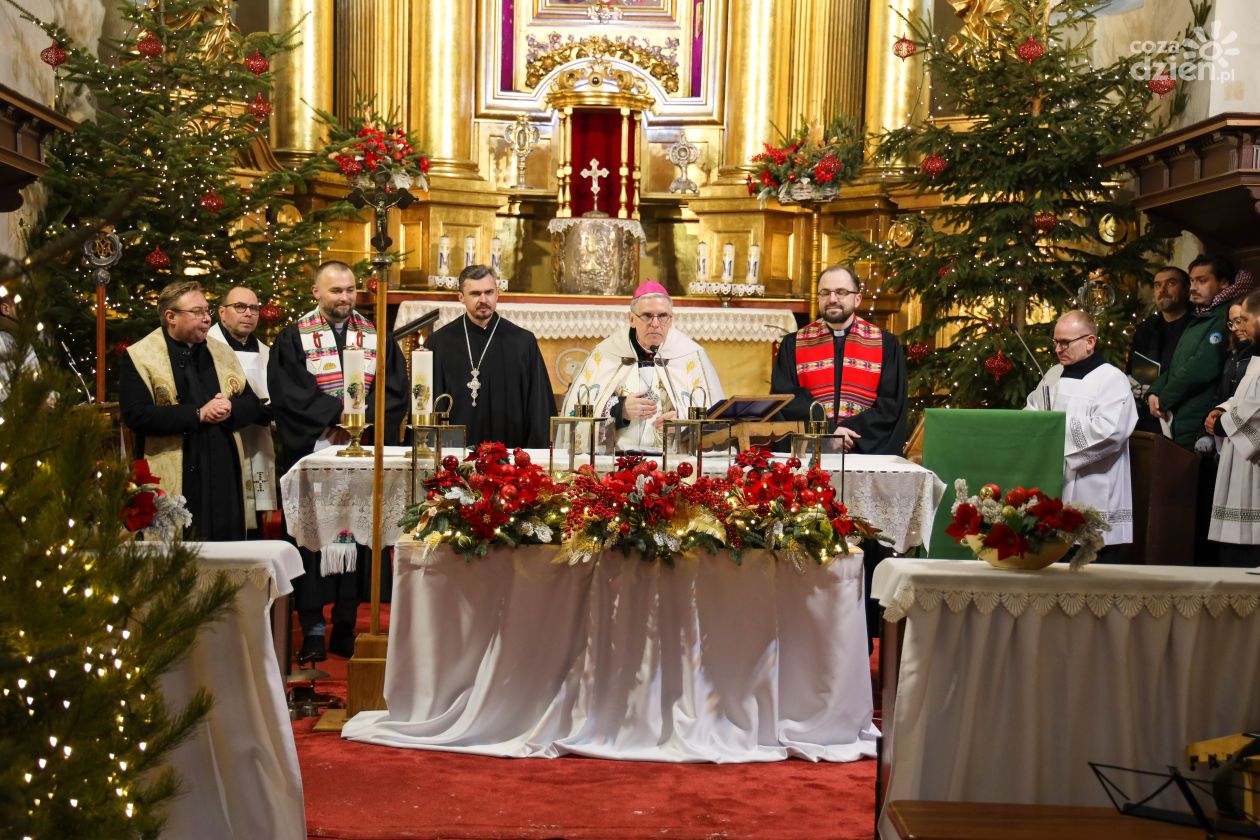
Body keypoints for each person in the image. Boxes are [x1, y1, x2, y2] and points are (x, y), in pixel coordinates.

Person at [268, 261, 408, 663]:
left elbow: (393, 391)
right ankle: (312, 628)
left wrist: (363, 424)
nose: (345, 298)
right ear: (317, 293)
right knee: (313, 540)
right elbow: (289, 394)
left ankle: (345, 626)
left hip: (361, 457)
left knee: (358, 538)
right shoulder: (293, 338)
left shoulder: (376, 337)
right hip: (315, 450)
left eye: (350, 290)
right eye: (336, 291)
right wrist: (338, 420)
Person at [119, 280, 261, 540]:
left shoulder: (222, 352)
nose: (207, 319)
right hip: (176, 468)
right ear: (171, 317)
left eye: (207, 311)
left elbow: (252, 403)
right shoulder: (140, 357)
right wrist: (198, 414)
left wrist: (230, 407)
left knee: (226, 549)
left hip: (223, 471)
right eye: (197, 312)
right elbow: (136, 416)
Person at [559, 280, 724, 453]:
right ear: (631, 319)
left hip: (674, 460)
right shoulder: (607, 353)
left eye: (662, 316)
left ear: (670, 320)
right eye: (647, 315)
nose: (655, 324)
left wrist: (684, 422)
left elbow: (711, 414)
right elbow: (578, 409)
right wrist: (619, 408)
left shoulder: (689, 355)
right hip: (616, 460)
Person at [1025, 310, 1138, 559]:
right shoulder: (1053, 375)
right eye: (1055, 342)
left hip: (1094, 484)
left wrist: (1054, 431)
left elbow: (1110, 430)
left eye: (1065, 342)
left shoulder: (1111, 379)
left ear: (1090, 342)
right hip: (1054, 484)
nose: (1058, 349)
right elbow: (1032, 413)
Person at [771, 264, 908, 455]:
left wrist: (846, 435)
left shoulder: (886, 344)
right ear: (818, 298)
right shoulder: (793, 344)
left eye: (841, 292)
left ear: (857, 298)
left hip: (863, 452)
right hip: (811, 453)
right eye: (825, 293)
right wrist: (828, 431)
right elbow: (785, 399)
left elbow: (891, 405)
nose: (832, 299)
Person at [429, 265, 554, 448]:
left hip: (511, 456)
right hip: (455, 457)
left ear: (497, 294)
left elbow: (538, 405)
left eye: (489, 292)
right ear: (461, 298)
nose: (483, 299)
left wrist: (534, 456)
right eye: (475, 294)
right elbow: (432, 404)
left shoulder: (522, 342)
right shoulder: (440, 342)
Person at [1147, 255, 1254, 450]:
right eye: (1192, 281)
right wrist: (1154, 391)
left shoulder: (1224, 317)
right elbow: (1177, 363)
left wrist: (1164, 398)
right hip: (1181, 419)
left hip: (1198, 422)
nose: (1193, 287)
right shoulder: (1200, 315)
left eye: (1202, 280)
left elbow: (1201, 367)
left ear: (1223, 283)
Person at [209, 286, 276, 531]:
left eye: (254, 308)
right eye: (240, 307)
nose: (248, 313)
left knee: (255, 522)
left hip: (257, 440)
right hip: (222, 437)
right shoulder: (207, 347)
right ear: (222, 312)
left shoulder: (267, 353)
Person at [1205, 288, 1260, 567]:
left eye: (1246, 319)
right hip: (1238, 460)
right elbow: (1243, 399)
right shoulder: (1253, 357)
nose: (1242, 326)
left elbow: (1256, 410)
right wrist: (1222, 410)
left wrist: (1223, 424)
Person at [1128, 266, 1191, 433]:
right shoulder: (1145, 328)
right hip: (1147, 415)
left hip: (1183, 413)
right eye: (1157, 285)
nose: (1162, 290)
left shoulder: (1196, 325)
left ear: (1186, 289)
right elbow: (1134, 373)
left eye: (1171, 283)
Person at [1218, 297, 1253, 402]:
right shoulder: (1234, 354)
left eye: (1238, 321)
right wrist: (1215, 411)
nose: (1233, 328)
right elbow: (1220, 393)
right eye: (1231, 323)